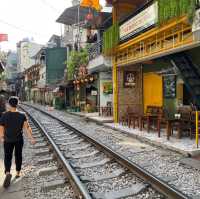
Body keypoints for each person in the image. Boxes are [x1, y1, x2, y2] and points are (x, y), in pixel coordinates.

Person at [0, 96, 36, 188]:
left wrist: (2, 137)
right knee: (18, 155)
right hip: (18, 140)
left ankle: (8, 172)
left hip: (7, 140)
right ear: (17, 104)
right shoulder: (22, 115)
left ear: (9, 104)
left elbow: (1, 127)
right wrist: (31, 138)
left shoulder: (4, 115)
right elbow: (26, 128)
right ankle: (18, 172)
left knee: (7, 156)